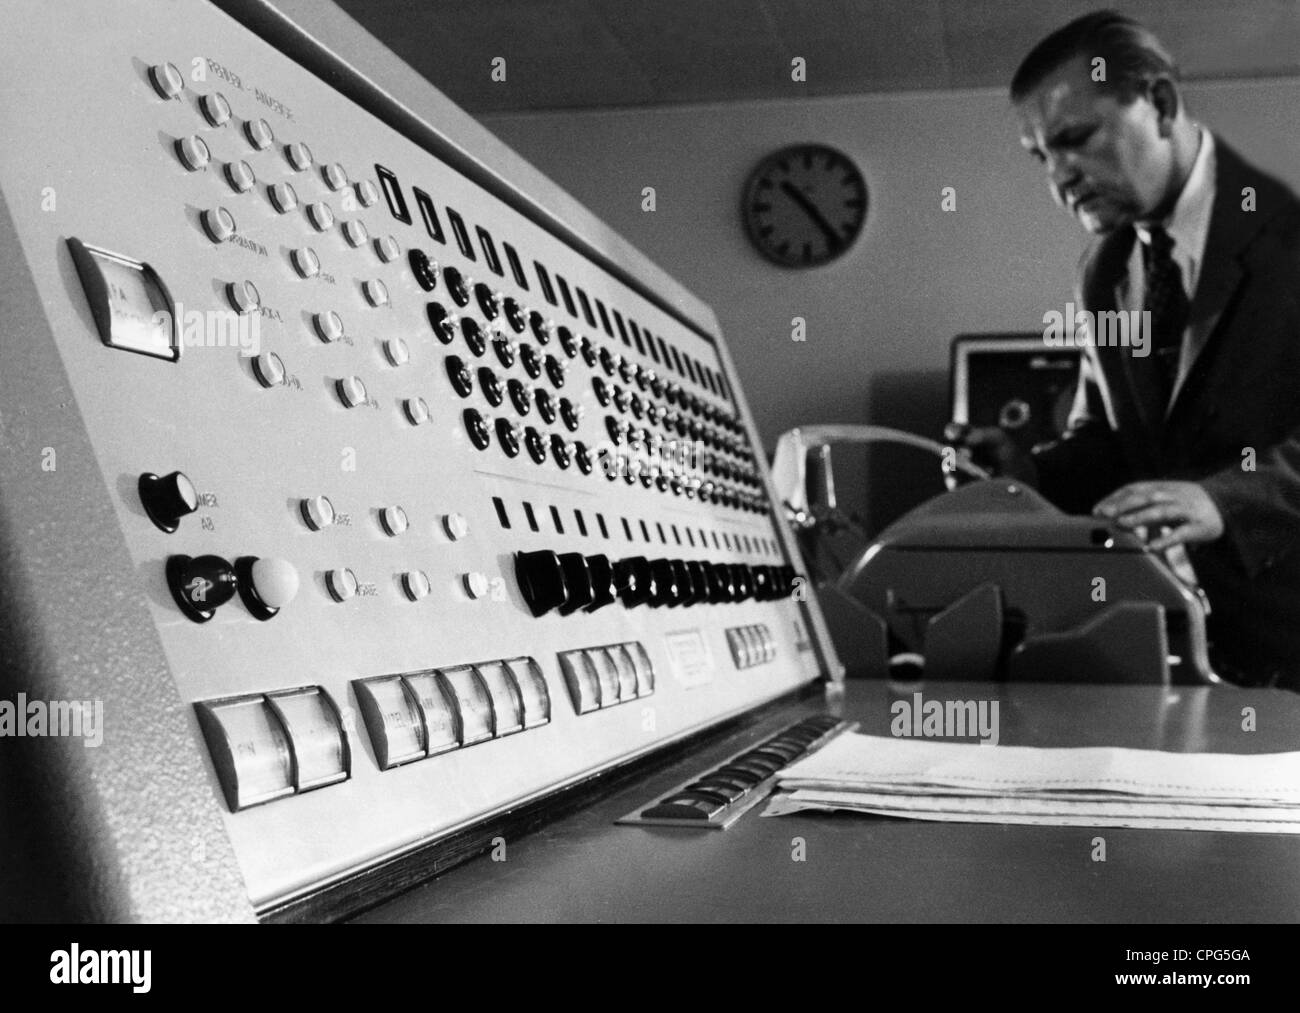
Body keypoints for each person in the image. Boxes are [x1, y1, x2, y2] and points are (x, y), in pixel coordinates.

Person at [957, 10, 1300, 688]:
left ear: (1162, 105)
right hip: (1209, 651)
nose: (1060, 177)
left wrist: (1223, 501)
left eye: (1076, 138)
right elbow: (1111, 439)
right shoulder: (1104, 271)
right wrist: (1023, 470)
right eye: (1041, 157)